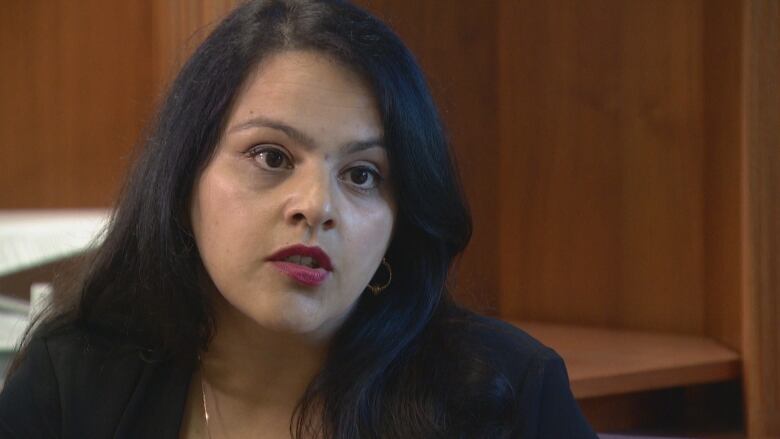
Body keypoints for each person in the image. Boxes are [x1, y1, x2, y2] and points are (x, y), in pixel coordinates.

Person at [0, 0, 597, 437]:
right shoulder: (73, 380)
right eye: (271, 156)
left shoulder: (508, 393)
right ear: (185, 179)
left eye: (363, 174)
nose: (316, 205)